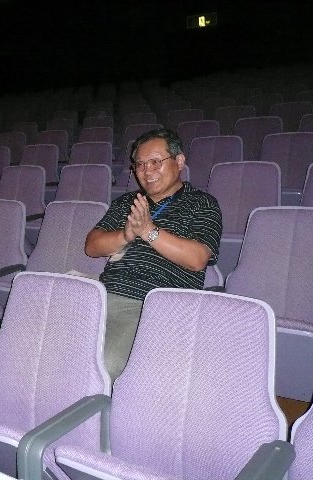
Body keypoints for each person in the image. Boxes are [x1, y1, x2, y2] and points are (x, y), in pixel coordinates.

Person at [85, 128, 222, 383]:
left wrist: (148, 231)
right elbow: (92, 246)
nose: (147, 170)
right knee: (45, 346)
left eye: (156, 162)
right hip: (101, 295)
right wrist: (125, 235)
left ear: (179, 161)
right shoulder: (127, 202)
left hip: (152, 304)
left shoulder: (202, 203)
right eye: (140, 164)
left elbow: (197, 259)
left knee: (103, 364)